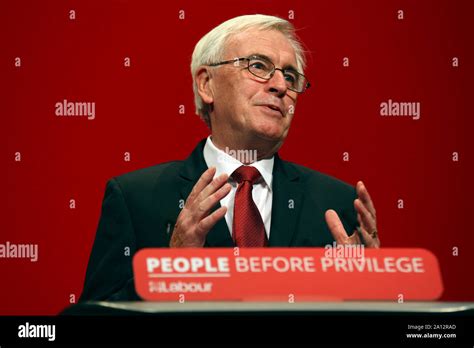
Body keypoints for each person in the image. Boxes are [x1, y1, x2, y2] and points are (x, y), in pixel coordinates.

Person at [80, 14, 380, 301]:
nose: (280, 86)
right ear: (206, 84)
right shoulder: (136, 198)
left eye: (290, 76)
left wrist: (369, 290)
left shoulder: (338, 204)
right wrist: (171, 268)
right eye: (258, 66)